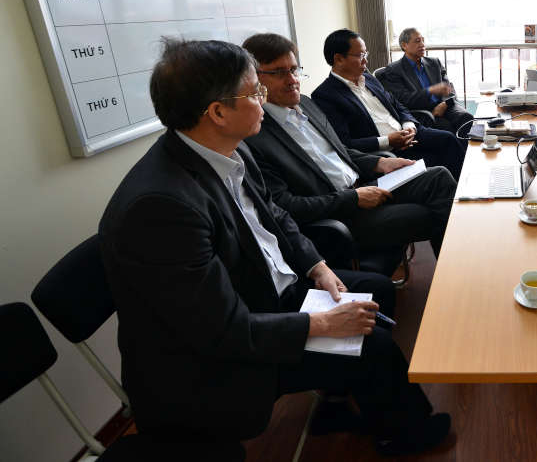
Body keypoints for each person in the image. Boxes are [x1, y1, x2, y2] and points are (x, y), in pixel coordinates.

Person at [98, 38, 450, 456]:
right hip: (211, 361)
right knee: (371, 345)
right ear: (218, 112)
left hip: (265, 292)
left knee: (376, 290)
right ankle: (401, 434)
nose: (264, 100)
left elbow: (276, 216)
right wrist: (321, 325)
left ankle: (345, 401)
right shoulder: (160, 208)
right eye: (255, 91)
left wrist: (318, 267)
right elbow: (221, 331)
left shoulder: (227, 150)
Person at [242, 33, 455, 259]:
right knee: (434, 213)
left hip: (363, 184)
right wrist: (353, 198)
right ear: (253, 79)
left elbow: (340, 150)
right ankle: (457, 272)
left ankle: (457, 269)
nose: (292, 79)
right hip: (342, 212)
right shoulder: (256, 134)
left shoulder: (306, 103)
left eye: (294, 70)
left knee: (439, 177)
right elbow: (285, 206)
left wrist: (380, 162)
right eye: (278, 72)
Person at [312, 30, 465, 180]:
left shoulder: (368, 79)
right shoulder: (325, 95)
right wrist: (388, 141)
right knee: (438, 166)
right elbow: (344, 144)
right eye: (360, 56)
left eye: (366, 54)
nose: (366, 61)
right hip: (388, 152)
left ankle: (465, 189)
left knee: (449, 140)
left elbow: (398, 105)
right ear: (339, 59)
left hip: (409, 133)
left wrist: (409, 125)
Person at [379, 28, 474, 134]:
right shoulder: (394, 70)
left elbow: (449, 89)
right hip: (423, 111)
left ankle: (460, 145)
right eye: (417, 41)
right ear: (404, 45)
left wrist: (445, 104)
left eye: (423, 40)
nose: (422, 44)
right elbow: (404, 100)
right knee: (448, 129)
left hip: (444, 105)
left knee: (467, 118)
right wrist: (430, 90)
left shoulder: (434, 63)